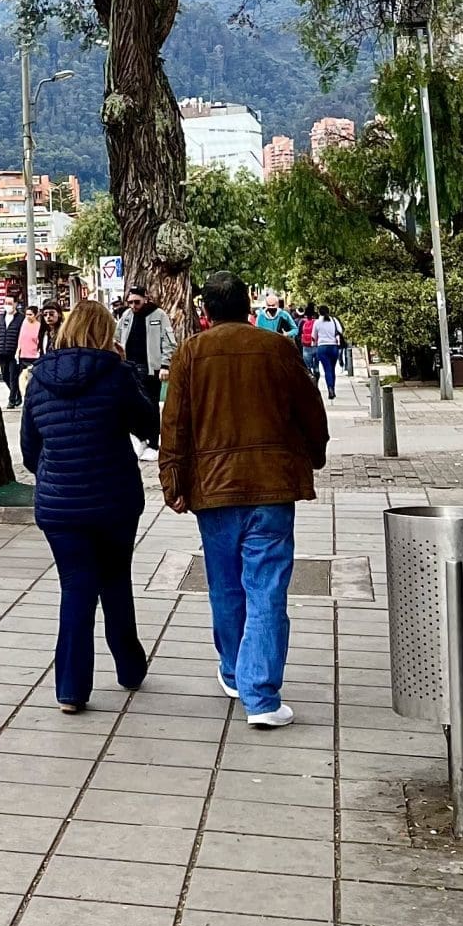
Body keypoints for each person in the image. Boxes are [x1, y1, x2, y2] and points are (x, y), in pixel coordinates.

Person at [159, 270, 329, 728]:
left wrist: (172, 479)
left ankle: (235, 671)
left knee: (225, 584)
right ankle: (263, 696)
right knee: (267, 587)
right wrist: (315, 454)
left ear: (206, 311)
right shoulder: (277, 349)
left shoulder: (191, 353)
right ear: (247, 307)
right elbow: (310, 408)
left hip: (213, 489)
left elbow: (175, 422)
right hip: (271, 485)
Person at [20, 298, 160, 712]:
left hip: (60, 506)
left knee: (76, 588)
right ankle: (129, 668)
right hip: (114, 500)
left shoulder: (40, 378)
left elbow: (30, 447)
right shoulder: (116, 375)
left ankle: (71, 690)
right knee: (116, 579)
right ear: (107, 334)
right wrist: (129, 372)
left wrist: (54, 470)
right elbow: (149, 425)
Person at [0, 294, 31, 406]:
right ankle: (16, 394)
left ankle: (11, 400)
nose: (7, 306)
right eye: (6, 303)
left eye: (10, 303)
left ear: (16, 304)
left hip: (14, 353)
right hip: (2, 351)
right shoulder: (0, 317)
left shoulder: (21, 319)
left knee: (13, 377)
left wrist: (19, 350)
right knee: (5, 376)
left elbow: (23, 336)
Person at [311, 307, 344, 399]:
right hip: (333, 347)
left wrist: (314, 344)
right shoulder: (334, 320)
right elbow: (340, 331)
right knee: (332, 369)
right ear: (329, 312)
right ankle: (332, 387)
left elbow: (313, 336)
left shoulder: (317, 322)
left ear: (319, 312)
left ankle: (330, 388)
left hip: (322, 347)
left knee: (327, 369)